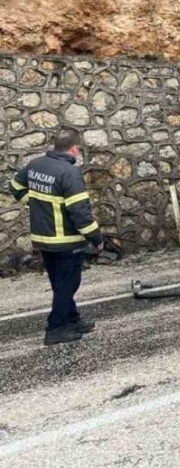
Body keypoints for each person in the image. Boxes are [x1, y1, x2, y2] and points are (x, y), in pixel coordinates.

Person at [8, 128, 104, 346]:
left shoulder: (36, 165)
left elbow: (15, 186)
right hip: (66, 241)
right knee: (68, 284)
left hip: (43, 238)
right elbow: (80, 214)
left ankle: (72, 319)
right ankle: (55, 328)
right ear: (75, 148)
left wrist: (33, 203)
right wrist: (97, 238)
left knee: (59, 283)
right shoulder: (69, 173)